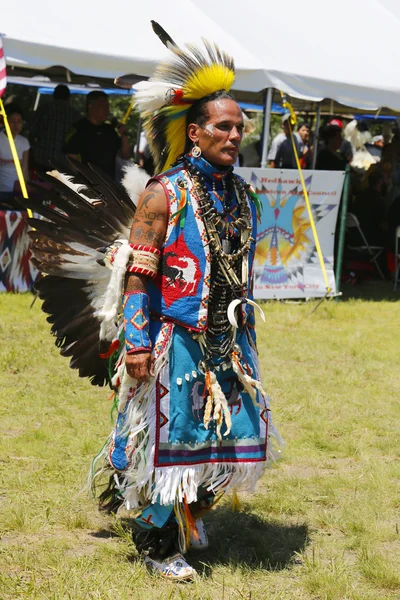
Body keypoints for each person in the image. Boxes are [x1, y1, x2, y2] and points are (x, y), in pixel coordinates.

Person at [26, 38, 281, 582]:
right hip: (175, 339)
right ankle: (158, 538)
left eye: (240, 128)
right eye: (223, 127)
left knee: (235, 437)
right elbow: (140, 273)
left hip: (229, 340)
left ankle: (188, 510)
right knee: (172, 440)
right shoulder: (165, 194)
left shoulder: (241, 195)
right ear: (194, 131)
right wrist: (138, 343)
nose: (235, 136)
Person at [64, 90, 131, 179]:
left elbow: (125, 155)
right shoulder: (78, 130)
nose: (107, 110)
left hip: (108, 187)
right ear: (90, 106)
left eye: (108, 106)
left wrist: (124, 135)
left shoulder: (110, 130)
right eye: (103, 106)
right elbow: (72, 163)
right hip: (86, 186)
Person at [29, 84, 80, 171]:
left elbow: (32, 133)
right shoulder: (74, 114)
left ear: (54, 95)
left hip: (42, 160)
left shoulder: (44, 108)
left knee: (41, 184)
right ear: (68, 97)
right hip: (64, 164)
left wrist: (35, 151)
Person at [0, 103, 30, 203]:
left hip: (16, 192)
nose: (16, 125)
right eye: (13, 121)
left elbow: (24, 168)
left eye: (19, 122)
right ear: (6, 122)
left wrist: (26, 191)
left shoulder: (24, 142)